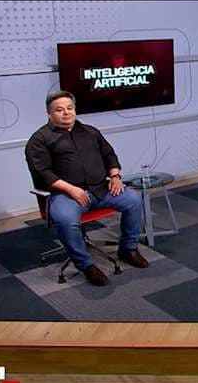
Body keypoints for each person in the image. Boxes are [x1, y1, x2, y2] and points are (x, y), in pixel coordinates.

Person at [25, 90, 149, 286]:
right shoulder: (39, 140)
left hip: (101, 189)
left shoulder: (90, 132)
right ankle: (85, 264)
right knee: (66, 220)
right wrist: (72, 190)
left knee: (133, 199)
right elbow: (43, 173)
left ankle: (128, 249)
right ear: (49, 113)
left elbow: (110, 155)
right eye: (59, 110)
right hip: (66, 195)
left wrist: (115, 176)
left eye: (70, 108)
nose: (66, 113)